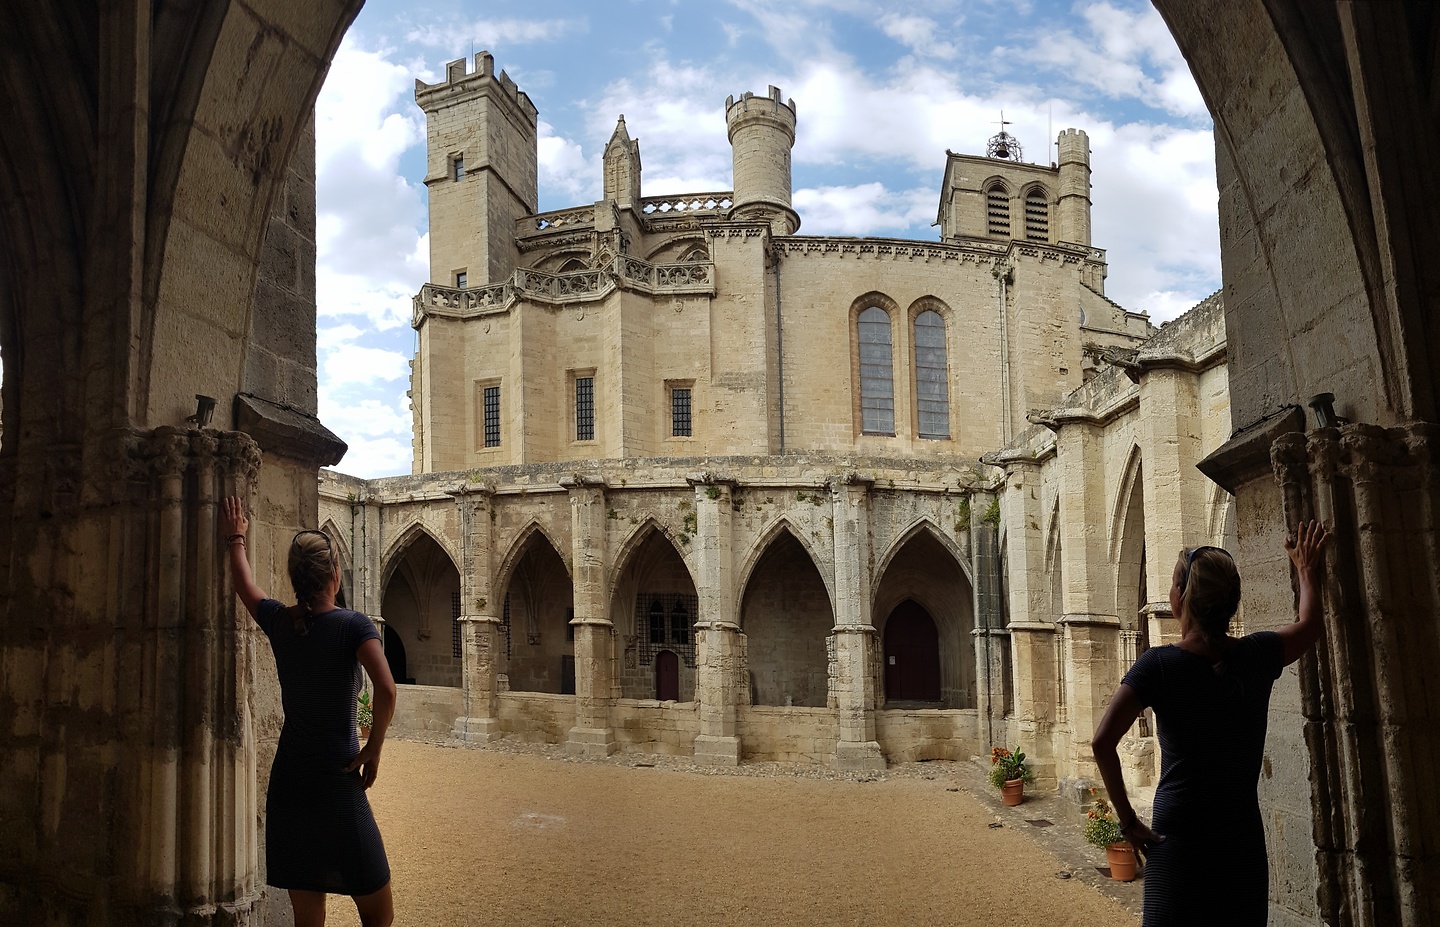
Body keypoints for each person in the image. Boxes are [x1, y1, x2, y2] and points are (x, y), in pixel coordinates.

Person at [1091, 519, 1329, 927]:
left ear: (1180, 598)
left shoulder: (1159, 666)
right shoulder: (1257, 655)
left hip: (1177, 840)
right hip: (1239, 842)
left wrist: (1128, 822)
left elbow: (1101, 743)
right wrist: (1307, 571)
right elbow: (1309, 626)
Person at [221, 497, 397, 927]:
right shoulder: (354, 625)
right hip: (338, 783)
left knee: (307, 920)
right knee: (379, 915)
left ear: (295, 579)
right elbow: (387, 690)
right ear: (335, 575)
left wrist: (236, 537)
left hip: (292, 785)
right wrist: (373, 749)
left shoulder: (282, 621)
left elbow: (244, 584)